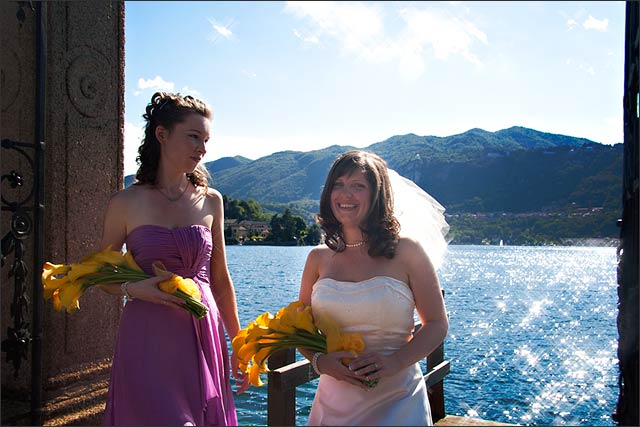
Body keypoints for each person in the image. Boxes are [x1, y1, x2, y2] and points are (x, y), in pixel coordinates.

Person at [99, 91, 249, 426]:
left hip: (202, 331)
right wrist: (133, 289)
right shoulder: (125, 202)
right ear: (162, 134)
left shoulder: (212, 201)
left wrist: (239, 342)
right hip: (148, 335)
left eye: (206, 139)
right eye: (194, 136)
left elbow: (221, 279)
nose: (203, 148)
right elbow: (100, 275)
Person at [298, 150, 449, 426]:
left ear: (377, 194)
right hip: (334, 400)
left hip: (398, 400)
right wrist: (320, 362)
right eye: (338, 185)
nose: (345, 195)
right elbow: (300, 328)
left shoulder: (408, 251)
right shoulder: (317, 259)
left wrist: (394, 362)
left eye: (358, 186)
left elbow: (437, 324)